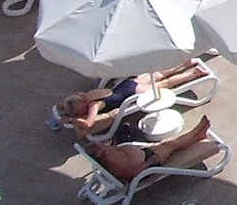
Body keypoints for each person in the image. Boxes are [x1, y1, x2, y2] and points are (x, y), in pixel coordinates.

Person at [56, 59, 213, 139]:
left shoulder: (94, 105)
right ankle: (186, 62)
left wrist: (71, 120)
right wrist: (64, 109)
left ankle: (195, 73)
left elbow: (89, 124)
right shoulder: (88, 94)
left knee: (165, 84)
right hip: (127, 84)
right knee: (158, 75)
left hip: (131, 93)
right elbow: (67, 104)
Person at [82, 112, 221, 183]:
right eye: (95, 145)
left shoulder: (106, 155)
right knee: (171, 145)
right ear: (99, 153)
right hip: (148, 164)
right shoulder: (112, 161)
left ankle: (196, 134)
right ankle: (197, 134)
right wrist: (151, 161)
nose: (96, 142)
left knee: (167, 143)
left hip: (143, 153)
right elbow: (132, 173)